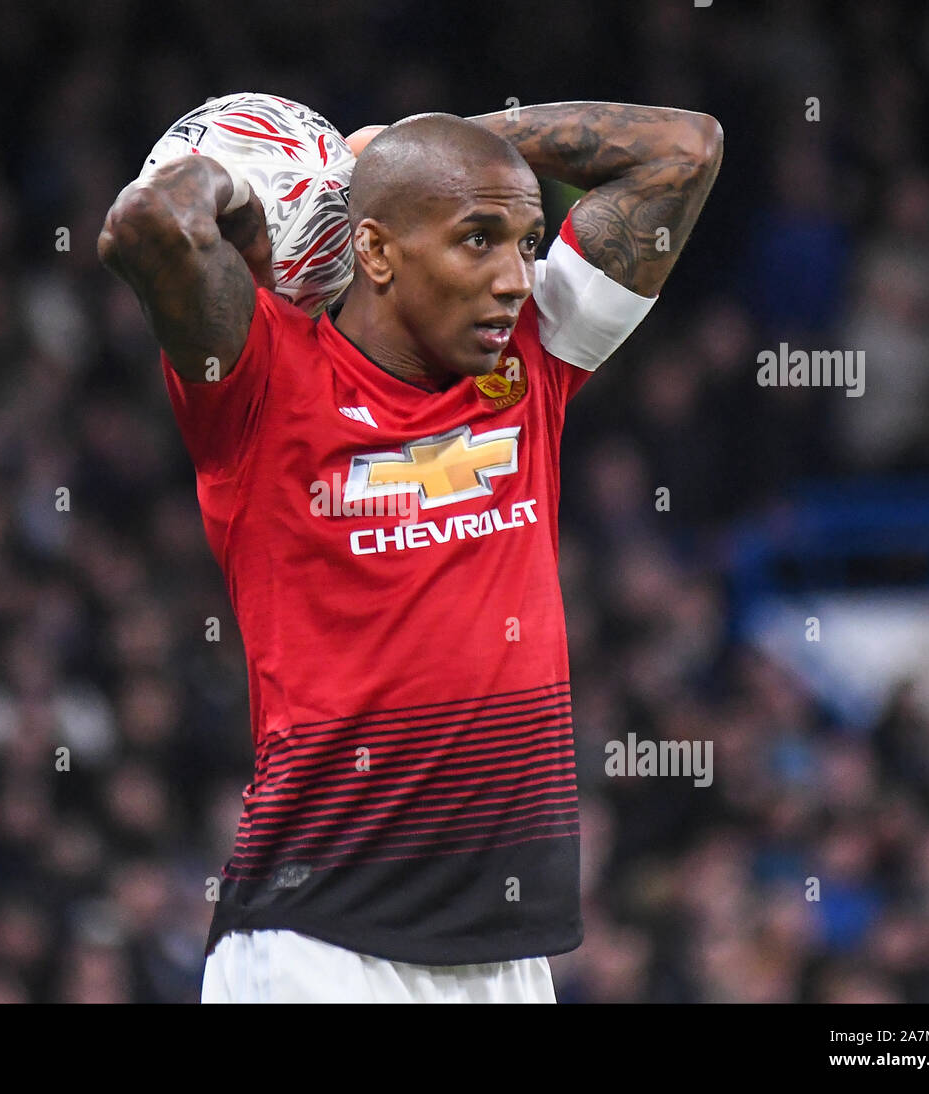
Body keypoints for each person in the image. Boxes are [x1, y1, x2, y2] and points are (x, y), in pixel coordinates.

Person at [97, 101, 722, 1002]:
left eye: (527, 241)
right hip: (319, 948)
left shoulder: (531, 363)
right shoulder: (262, 382)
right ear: (378, 252)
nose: (515, 278)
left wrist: (420, 142)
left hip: (507, 959)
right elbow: (145, 224)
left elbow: (684, 149)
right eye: (478, 239)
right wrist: (238, 176)